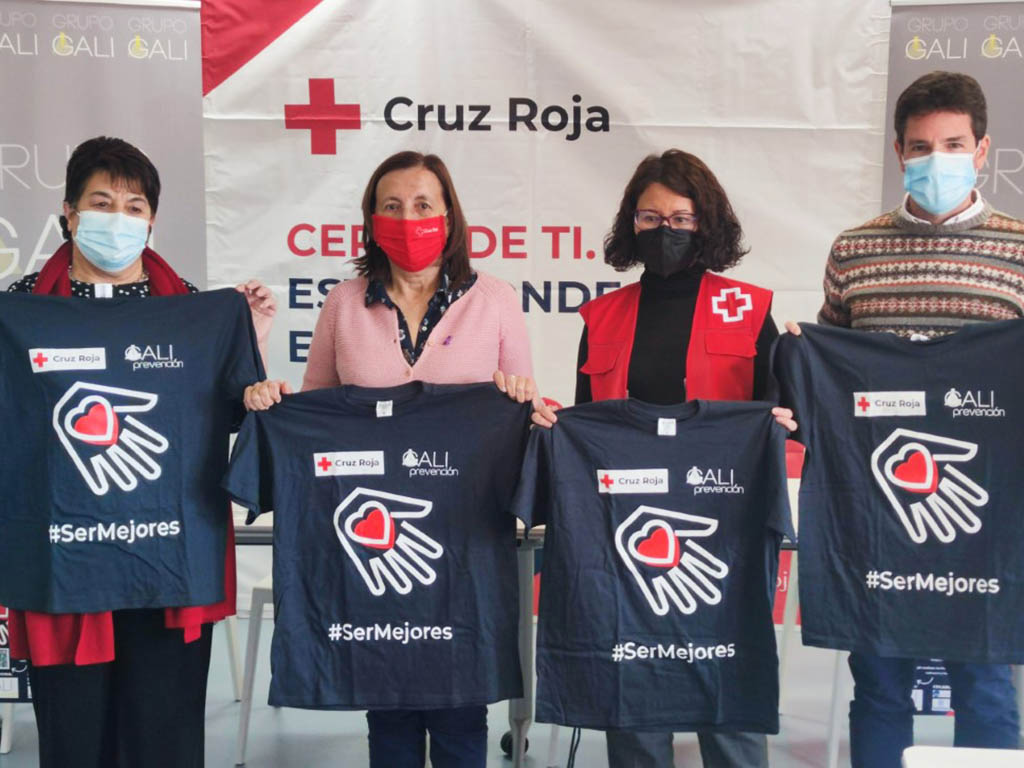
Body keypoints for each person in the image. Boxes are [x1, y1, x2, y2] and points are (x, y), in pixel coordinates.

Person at [244, 150, 539, 768]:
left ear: (451, 215)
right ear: (371, 218)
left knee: (463, 711)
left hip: (463, 543)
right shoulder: (345, 304)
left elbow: (523, 418)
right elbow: (319, 413)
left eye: (424, 205)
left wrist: (519, 398)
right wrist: (275, 398)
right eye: (393, 206)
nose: (410, 218)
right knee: (389, 707)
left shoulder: (496, 300)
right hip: (371, 543)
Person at [5, 135, 276, 768]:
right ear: (68, 213)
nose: (117, 218)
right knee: (73, 740)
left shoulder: (186, 306)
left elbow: (227, 413)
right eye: (101, 202)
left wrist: (248, 347)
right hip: (63, 569)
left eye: (133, 206)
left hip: (167, 564)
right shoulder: (18, 307)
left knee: (165, 735)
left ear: (151, 220)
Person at [533, 149, 795, 768]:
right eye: (650, 218)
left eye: (681, 217)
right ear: (631, 225)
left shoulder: (750, 309)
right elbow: (585, 429)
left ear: (706, 223)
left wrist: (784, 421)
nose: (666, 230)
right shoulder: (601, 318)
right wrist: (554, 431)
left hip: (721, 533)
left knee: (728, 685)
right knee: (632, 685)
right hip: (626, 530)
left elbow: (782, 414)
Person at [798, 70, 1023, 767]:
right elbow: (833, 371)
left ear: (983, 149)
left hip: (986, 516)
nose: (936, 160)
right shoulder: (854, 250)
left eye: (953, 144)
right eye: (921, 147)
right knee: (882, 687)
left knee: (986, 688)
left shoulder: (1020, 250)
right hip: (877, 514)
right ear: (899, 153)